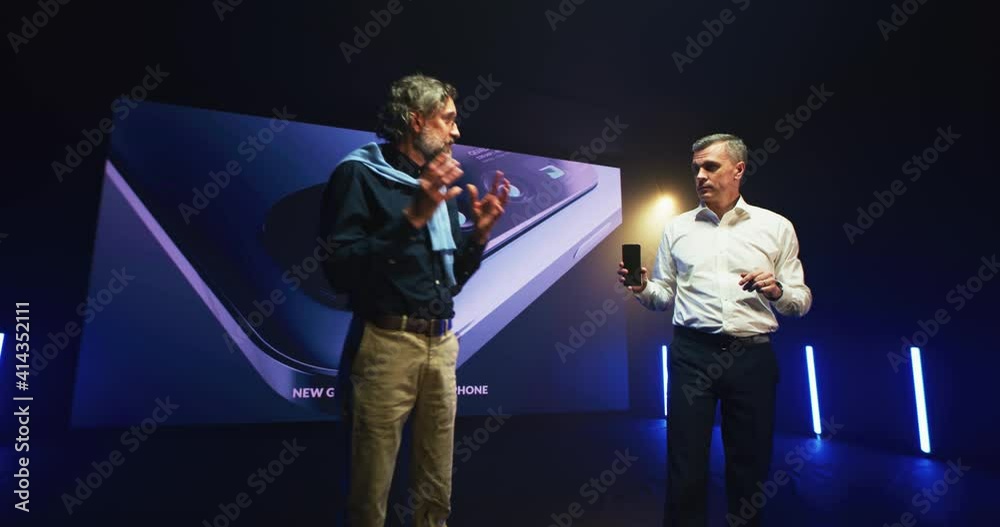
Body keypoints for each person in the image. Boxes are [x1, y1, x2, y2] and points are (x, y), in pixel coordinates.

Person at [320, 73, 510, 527]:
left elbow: (450, 284)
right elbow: (338, 271)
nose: (456, 131)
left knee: (435, 491)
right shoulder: (359, 174)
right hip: (386, 345)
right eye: (447, 119)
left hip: (441, 347)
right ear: (415, 120)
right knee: (369, 494)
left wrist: (479, 238)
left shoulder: (437, 187)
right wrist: (410, 219)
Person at [617, 133, 812, 527]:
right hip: (692, 356)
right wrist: (642, 288)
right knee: (685, 466)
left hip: (752, 357)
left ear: (738, 170)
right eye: (695, 169)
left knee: (749, 468)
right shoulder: (677, 228)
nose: (700, 176)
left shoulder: (776, 226)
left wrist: (776, 289)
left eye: (710, 166)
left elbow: (801, 300)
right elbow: (662, 296)